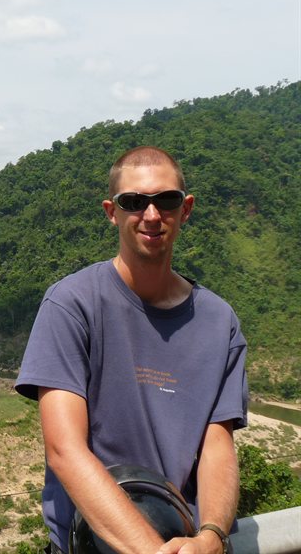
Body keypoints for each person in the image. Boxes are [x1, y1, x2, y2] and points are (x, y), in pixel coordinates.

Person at [15, 146, 248, 554]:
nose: (152, 215)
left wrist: (212, 536)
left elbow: (217, 444)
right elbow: (65, 450)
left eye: (167, 200)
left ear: (186, 208)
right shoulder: (72, 304)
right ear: (112, 211)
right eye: (134, 202)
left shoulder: (219, 322)